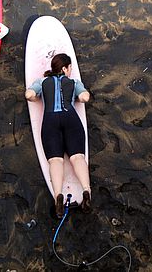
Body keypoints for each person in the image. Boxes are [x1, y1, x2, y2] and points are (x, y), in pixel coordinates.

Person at [25, 53, 91, 218]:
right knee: (77, 157)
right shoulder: (74, 82)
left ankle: (58, 196)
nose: (70, 71)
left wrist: (37, 98)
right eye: (70, 68)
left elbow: (29, 95)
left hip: (50, 120)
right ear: (64, 68)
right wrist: (77, 95)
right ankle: (86, 191)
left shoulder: (42, 81)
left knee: (55, 160)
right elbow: (84, 97)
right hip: (70, 118)